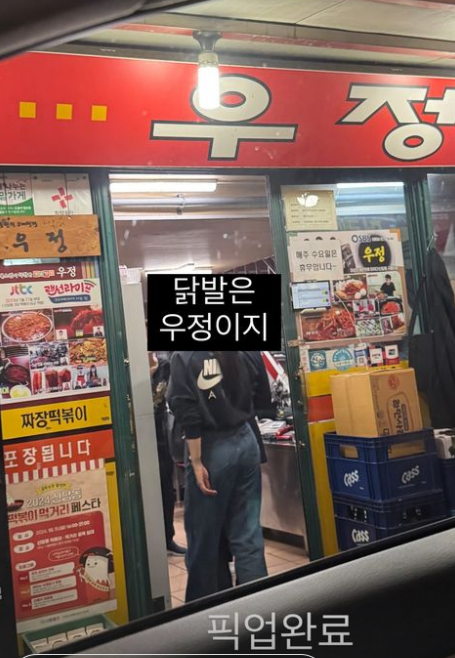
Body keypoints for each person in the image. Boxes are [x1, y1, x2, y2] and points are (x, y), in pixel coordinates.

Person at [168, 350, 268, 602]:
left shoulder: (186, 355)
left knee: (204, 541)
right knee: (248, 536)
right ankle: (260, 609)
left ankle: (204, 615)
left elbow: (185, 407)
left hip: (210, 448)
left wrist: (196, 460)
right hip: (246, 439)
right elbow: (262, 396)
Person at [150, 351, 186, 556]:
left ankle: (167, 538)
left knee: (166, 488)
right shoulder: (129, 369)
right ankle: (150, 542)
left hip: (162, 436)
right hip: (138, 438)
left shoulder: (165, 366)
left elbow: (173, 397)